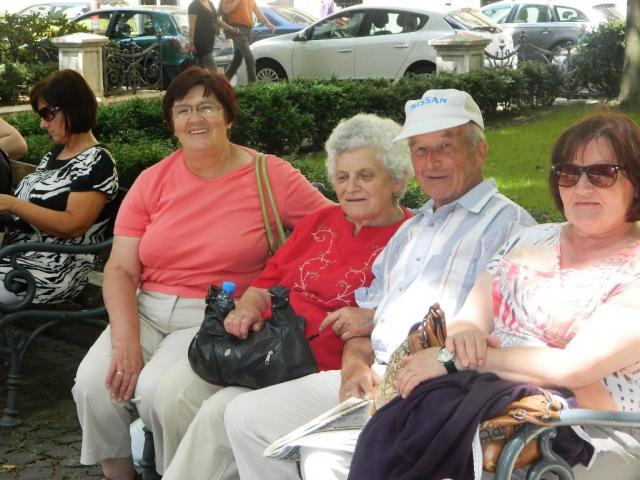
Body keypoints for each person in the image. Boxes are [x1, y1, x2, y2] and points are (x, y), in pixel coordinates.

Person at [223, 88, 536, 480]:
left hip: (439, 390)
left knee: (323, 461)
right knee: (243, 417)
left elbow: (503, 342)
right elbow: (368, 322)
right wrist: (354, 367)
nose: (431, 161)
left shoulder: (510, 228)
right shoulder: (412, 230)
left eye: (445, 146)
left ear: (479, 151)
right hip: (375, 378)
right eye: (420, 150)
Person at [71, 66, 330, 480]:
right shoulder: (153, 180)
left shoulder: (269, 175)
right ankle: (119, 474)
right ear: (172, 122)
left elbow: (331, 227)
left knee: (164, 395)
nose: (195, 118)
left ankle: (175, 471)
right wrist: (125, 342)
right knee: (92, 384)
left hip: (217, 315)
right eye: (183, 109)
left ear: (228, 116)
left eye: (207, 107)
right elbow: (119, 268)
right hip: (147, 308)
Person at [349, 112, 640, 480]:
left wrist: (454, 361)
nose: (582, 188)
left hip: (588, 435)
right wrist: (463, 339)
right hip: (492, 414)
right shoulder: (529, 240)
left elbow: (574, 368)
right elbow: (469, 320)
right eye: (569, 173)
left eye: (602, 174)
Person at [154, 113, 413, 479]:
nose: (351, 187)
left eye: (365, 175)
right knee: (175, 395)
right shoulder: (319, 222)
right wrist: (247, 308)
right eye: (342, 177)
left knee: (219, 413)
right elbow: (267, 282)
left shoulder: (409, 240)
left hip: (319, 369)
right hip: (263, 353)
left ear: (397, 179)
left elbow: (405, 319)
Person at [0, 69, 118, 305]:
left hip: (53, 269)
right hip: (16, 259)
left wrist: (12, 204)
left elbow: (73, 225)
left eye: (47, 114)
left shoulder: (96, 161)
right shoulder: (52, 156)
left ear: (72, 107)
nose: (42, 124)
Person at [222, 0, 275, 83]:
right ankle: (252, 86)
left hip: (249, 30)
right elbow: (225, 9)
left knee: (237, 61)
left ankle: (222, 83)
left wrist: (268, 23)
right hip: (237, 29)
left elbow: (257, 10)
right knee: (249, 58)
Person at [188, 0, 237, 72]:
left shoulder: (210, 3)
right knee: (213, 69)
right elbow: (192, 26)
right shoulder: (194, 5)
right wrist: (191, 43)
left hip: (210, 40)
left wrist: (231, 29)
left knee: (203, 69)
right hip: (200, 41)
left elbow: (218, 21)